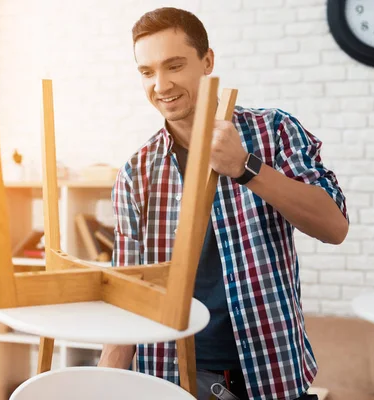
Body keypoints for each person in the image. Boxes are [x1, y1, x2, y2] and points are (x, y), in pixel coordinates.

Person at [97, 6, 349, 400]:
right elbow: (131, 299)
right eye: (147, 72)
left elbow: (334, 227)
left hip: (272, 373)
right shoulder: (137, 172)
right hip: (171, 378)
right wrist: (101, 388)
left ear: (207, 61)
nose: (161, 85)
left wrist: (245, 167)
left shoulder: (274, 132)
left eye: (174, 65)